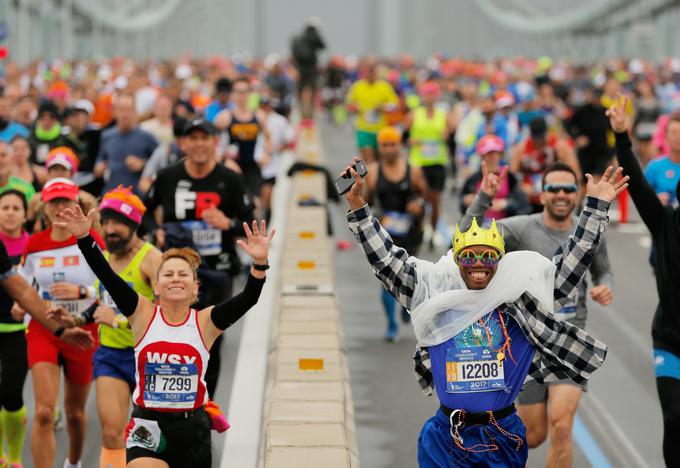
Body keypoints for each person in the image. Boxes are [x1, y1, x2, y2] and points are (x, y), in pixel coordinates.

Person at [342, 157, 627, 467]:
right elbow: (387, 262)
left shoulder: (517, 301)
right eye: (470, 257)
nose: (479, 264)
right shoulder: (438, 295)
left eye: (488, 257)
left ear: (500, 261)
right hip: (445, 437)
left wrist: (595, 208)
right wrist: (358, 205)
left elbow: (569, 266)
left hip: (501, 435)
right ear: (458, 261)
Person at [53, 204, 272, 467]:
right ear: (156, 286)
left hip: (192, 430)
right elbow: (107, 276)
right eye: (168, 274)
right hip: (148, 427)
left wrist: (259, 264)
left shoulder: (205, 322)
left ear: (195, 287)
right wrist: (84, 239)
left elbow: (248, 299)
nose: (176, 279)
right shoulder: (142, 314)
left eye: (183, 275)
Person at [462, 161, 614, 467]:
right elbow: (469, 236)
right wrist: (483, 196)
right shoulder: (521, 228)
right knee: (532, 435)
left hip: (567, 342)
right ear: (540, 194)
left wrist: (604, 287)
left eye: (568, 189)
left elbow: (604, 271)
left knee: (562, 425)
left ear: (578, 194)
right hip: (528, 343)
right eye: (553, 188)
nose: (561, 194)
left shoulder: (589, 232)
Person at [144, 118, 254, 397]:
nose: (199, 144)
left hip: (217, 270)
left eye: (205, 138)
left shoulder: (230, 179)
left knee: (211, 340)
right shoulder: (168, 176)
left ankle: (205, 407)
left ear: (215, 142)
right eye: (192, 138)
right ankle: (169, 402)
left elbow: (249, 222)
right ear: (183, 143)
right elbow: (143, 212)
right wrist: (155, 232)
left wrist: (226, 223)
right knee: (170, 338)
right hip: (175, 272)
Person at [608, 95, 680, 467]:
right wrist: (622, 137)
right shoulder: (666, 224)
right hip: (670, 338)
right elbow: (636, 184)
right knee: (674, 418)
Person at [16, 178, 102, 468]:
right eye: (54, 202)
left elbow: (110, 290)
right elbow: (24, 287)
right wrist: (21, 306)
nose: (60, 207)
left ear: (76, 203)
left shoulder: (91, 240)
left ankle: (73, 463)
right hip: (44, 329)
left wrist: (82, 293)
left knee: (75, 413)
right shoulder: (35, 244)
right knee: (42, 412)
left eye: (66, 200)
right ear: (44, 207)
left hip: (83, 330)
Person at [362, 126, 428, 341]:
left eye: (393, 144)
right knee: (387, 280)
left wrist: (417, 205)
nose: (389, 149)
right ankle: (391, 324)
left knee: (410, 275)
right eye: (385, 145)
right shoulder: (373, 172)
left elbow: (423, 197)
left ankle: (405, 307)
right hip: (385, 234)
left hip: (409, 232)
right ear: (379, 147)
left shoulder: (413, 170)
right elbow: (365, 203)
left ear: (399, 145)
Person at [404, 81, 455, 249]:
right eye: (427, 94)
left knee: (435, 202)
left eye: (433, 94)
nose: (430, 97)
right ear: (422, 96)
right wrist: (412, 141)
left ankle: (432, 234)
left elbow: (452, 139)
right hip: (418, 164)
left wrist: (447, 136)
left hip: (437, 163)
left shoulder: (444, 115)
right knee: (420, 200)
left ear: (437, 96)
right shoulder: (413, 115)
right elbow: (404, 138)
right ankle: (418, 231)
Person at [214, 78, 271, 200]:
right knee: (234, 202)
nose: (241, 96)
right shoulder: (224, 117)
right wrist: (220, 158)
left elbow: (268, 136)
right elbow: (213, 140)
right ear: (233, 94)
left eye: (244, 92)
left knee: (255, 203)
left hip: (252, 165)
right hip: (232, 165)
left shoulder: (259, 116)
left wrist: (266, 154)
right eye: (238, 92)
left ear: (250, 93)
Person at [511, 116, 580, 212]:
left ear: (547, 133)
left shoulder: (560, 146)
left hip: (555, 194)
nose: (538, 141)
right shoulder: (521, 149)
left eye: (541, 137)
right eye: (536, 138)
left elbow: (576, 174)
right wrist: (522, 187)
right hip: (531, 199)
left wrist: (562, 186)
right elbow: (512, 177)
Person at [95, 93, 158, 195]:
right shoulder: (107, 136)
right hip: (111, 196)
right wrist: (98, 167)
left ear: (135, 112)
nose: (124, 114)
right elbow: (100, 158)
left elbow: (161, 165)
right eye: (121, 110)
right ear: (114, 112)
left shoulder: (147, 137)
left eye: (128, 110)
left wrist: (143, 165)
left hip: (136, 198)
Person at [460, 135, 530, 221]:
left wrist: (505, 204)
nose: (492, 157)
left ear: (500, 154)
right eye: (488, 153)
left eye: (495, 153)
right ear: (482, 155)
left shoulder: (509, 177)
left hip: (503, 225)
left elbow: (523, 204)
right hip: (479, 226)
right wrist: (467, 200)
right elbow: (462, 202)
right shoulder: (473, 178)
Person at [346, 60, 399, 164]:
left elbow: (394, 105)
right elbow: (349, 104)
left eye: (372, 71)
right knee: (368, 159)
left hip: (381, 130)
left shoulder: (384, 86)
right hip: (364, 129)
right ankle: (369, 179)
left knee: (381, 161)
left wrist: (384, 107)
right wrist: (355, 108)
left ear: (376, 72)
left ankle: (377, 178)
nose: (370, 74)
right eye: (368, 71)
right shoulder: (357, 86)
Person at [257, 95, 294, 223]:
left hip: (271, 165)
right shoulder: (253, 119)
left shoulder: (279, 121)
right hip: (254, 164)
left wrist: (277, 149)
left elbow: (290, 140)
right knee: (256, 200)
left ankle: (266, 224)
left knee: (266, 197)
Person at [291, 19, 326, 119]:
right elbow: (323, 46)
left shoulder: (298, 37)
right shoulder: (314, 36)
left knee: (300, 89)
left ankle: (301, 109)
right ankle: (310, 109)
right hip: (311, 68)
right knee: (311, 88)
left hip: (299, 67)